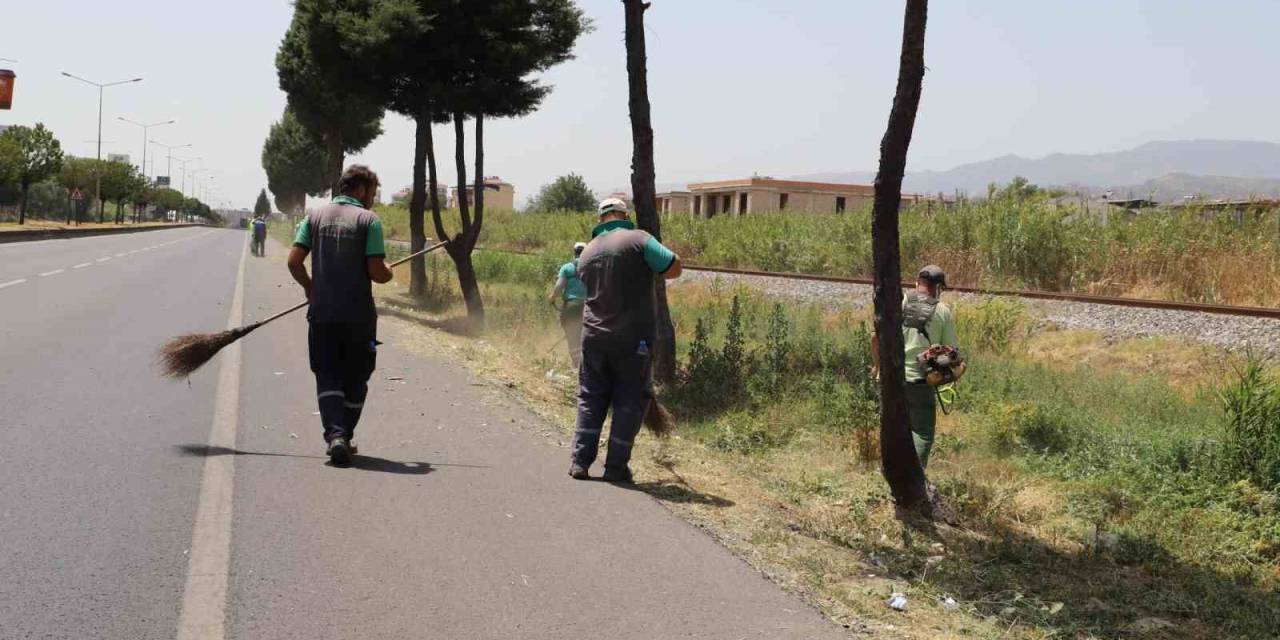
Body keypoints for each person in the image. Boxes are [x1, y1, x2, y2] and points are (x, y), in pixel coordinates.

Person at [569, 198, 683, 483]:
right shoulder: (639, 239)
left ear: (601, 218)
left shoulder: (587, 252)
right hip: (633, 340)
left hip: (593, 337)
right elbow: (673, 266)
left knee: (590, 397)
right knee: (629, 400)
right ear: (624, 215)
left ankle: (580, 462)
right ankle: (615, 467)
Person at [286, 165, 393, 465]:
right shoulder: (369, 220)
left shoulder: (315, 216)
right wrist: (389, 273)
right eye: (373, 191)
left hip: (322, 315)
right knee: (357, 376)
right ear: (360, 189)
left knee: (328, 373)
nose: (373, 198)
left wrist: (310, 289)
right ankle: (343, 433)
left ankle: (336, 436)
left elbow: (294, 262)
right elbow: (376, 272)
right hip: (358, 317)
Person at [871, 264, 962, 468]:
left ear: (917, 282)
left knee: (892, 430)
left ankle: (889, 474)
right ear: (938, 288)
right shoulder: (942, 311)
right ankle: (915, 480)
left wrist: (878, 368)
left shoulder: (899, 301)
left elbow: (875, 338)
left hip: (891, 378)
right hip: (920, 382)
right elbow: (952, 352)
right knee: (921, 433)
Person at [548, 241, 588, 367]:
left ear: (574, 252)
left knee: (572, 337)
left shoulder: (567, 268)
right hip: (589, 308)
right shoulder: (592, 268)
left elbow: (559, 288)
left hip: (570, 307)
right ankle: (587, 365)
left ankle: (576, 365)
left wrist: (552, 298)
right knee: (586, 337)